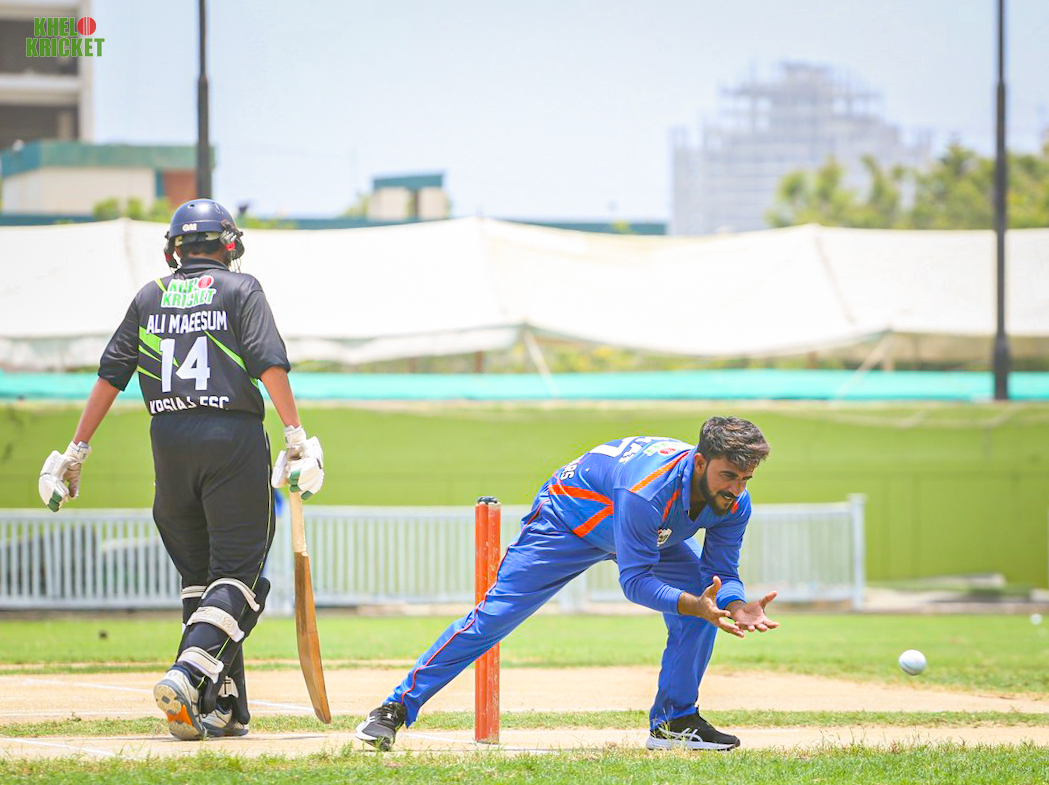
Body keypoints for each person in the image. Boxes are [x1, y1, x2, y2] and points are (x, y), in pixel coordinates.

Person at [37, 198, 325, 741]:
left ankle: (222, 705)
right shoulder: (241, 289)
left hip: (167, 445)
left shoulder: (150, 297)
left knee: (201, 582)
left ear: (174, 250)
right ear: (229, 245)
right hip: (230, 440)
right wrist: (295, 437)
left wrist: (76, 451)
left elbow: (112, 374)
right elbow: (268, 363)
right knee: (240, 578)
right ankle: (189, 674)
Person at [356, 416, 775, 752]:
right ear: (699, 463)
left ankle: (674, 722)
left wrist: (734, 604)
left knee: (705, 607)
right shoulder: (647, 492)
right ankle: (395, 708)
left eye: (745, 479)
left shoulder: (734, 500)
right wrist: (692, 604)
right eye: (729, 476)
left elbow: (719, 572)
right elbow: (634, 582)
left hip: (645, 530)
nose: (736, 489)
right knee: (494, 618)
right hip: (568, 520)